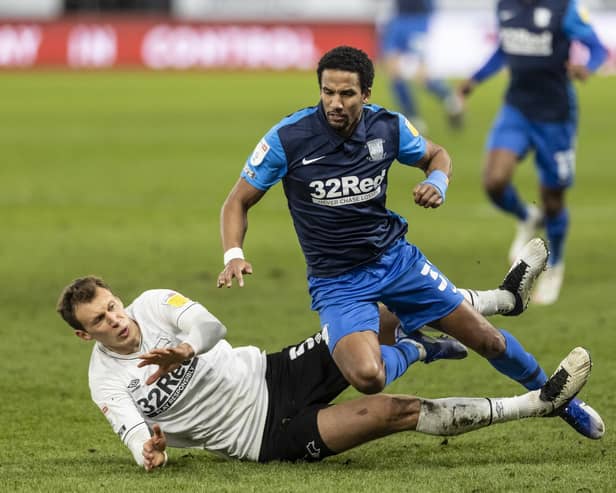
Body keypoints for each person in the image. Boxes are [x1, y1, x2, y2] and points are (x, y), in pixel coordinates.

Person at [217, 45, 603, 439]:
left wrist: (437, 181)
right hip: (337, 283)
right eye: (327, 92)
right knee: (368, 377)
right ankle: (419, 347)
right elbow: (237, 201)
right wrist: (234, 254)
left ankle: (562, 403)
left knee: (486, 339)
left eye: (346, 94)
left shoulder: (388, 127)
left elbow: (437, 154)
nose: (335, 102)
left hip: (396, 262)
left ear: (366, 94)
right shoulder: (288, 139)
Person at [57, 274, 593, 470]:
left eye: (112, 306)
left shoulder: (152, 303)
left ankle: (500, 299)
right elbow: (129, 429)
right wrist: (145, 452)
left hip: (273, 374)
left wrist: (187, 349)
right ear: (85, 335)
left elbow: (211, 325)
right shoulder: (104, 380)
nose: (116, 320)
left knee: (382, 313)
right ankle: (537, 403)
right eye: (99, 321)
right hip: (265, 438)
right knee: (391, 411)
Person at [458, 0, 608, 304]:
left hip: (555, 116)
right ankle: (527, 215)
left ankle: (555, 266)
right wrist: (474, 80)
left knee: (553, 199)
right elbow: (504, 49)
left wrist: (586, 67)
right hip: (517, 110)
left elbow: (598, 48)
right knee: (494, 181)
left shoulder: (564, 9)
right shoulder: (505, 7)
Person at [378, 0, 463, 132]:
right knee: (393, 71)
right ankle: (412, 117)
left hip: (419, 18)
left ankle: (448, 96)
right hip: (398, 18)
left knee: (420, 74)